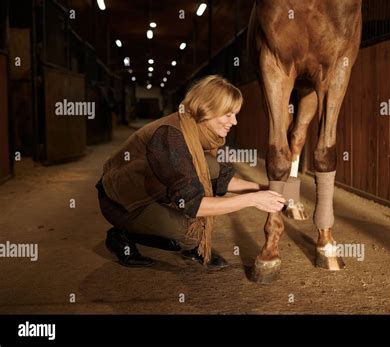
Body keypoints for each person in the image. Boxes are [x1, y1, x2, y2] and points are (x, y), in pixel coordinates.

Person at [95, 75, 285, 270]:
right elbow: (193, 205)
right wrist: (253, 200)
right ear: (208, 109)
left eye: (235, 114)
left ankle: (153, 221)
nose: (234, 122)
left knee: (211, 167)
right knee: (192, 236)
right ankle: (121, 235)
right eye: (228, 114)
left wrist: (264, 188)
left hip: (153, 190)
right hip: (122, 202)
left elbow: (223, 180)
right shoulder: (171, 137)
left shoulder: (202, 132)